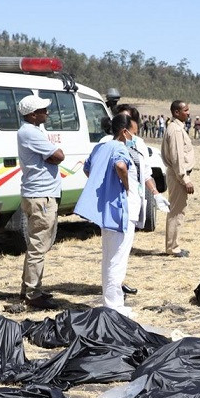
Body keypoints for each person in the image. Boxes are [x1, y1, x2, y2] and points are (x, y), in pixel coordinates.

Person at [100, 104, 171, 295]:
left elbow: (145, 172)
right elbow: (109, 168)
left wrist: (156, 194)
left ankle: (115, 289)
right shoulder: (108, 143)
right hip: (117, 205)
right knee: (115, 253)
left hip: (132, 204)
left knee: (119, 252)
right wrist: (122, 186)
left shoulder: (138, 143)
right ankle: (113, 298)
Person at [75, 114, 141, 317]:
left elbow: (88, 169)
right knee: (118, 258)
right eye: (134, 133)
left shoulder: (100, 147)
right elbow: (121, 166)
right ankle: (115, 306)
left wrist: (105, 185)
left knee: (109, 256)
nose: (134, 137)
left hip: (107, 208)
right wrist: (125, 186)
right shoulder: (120, 148)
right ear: (124, 131)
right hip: (121, 209)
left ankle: (109, 301)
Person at [16, 94, 65, 310]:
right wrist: (52, 155)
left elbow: (53, 156)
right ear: (33, 115)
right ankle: (32, 293)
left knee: (36, 244)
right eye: (43, 110)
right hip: (41, 196)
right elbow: (59, 155)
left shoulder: (32, 131)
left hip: (37, 194)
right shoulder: (30, 133)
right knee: (38, 246)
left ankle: (29, 288)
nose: (47, 112)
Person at [161, 100, 196, 257]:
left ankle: (174, 245)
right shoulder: (175, 130)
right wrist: (185, 179)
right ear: (176, 112)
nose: (188, 113)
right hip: (178, 175)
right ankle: (173, 248)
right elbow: (177, 159)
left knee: (177, 210)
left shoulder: (177, 128)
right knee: (176, 212)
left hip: (177, 174)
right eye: (185, 110)